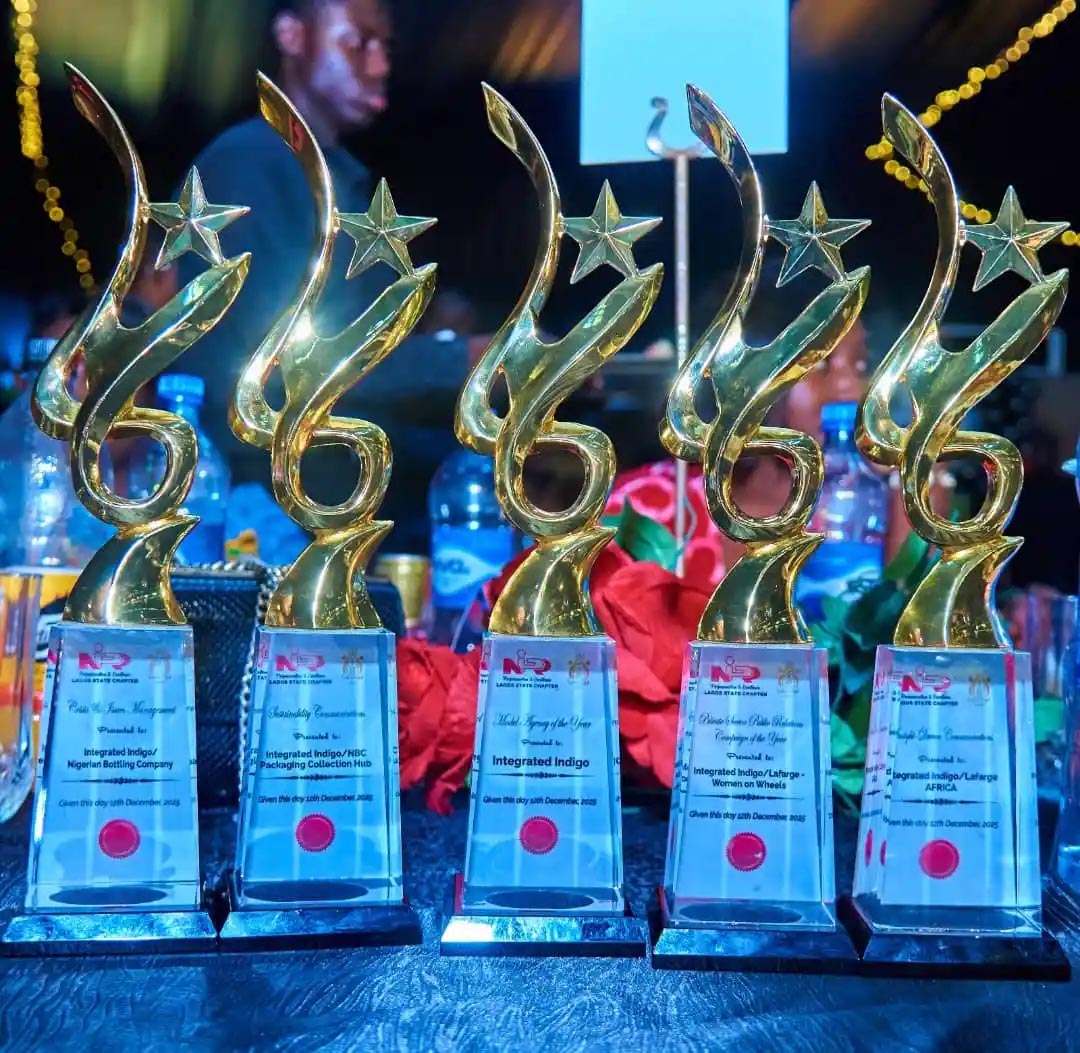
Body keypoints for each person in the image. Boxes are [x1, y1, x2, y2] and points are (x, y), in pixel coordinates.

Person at [176, 0, 471, 553]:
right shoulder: (249, 164)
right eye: (358, 43)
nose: (380, 66)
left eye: (385, 49)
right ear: (293, 35)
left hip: (326, 506)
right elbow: (284, 360)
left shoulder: (338, 178)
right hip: (259, 518)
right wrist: (462, 361)